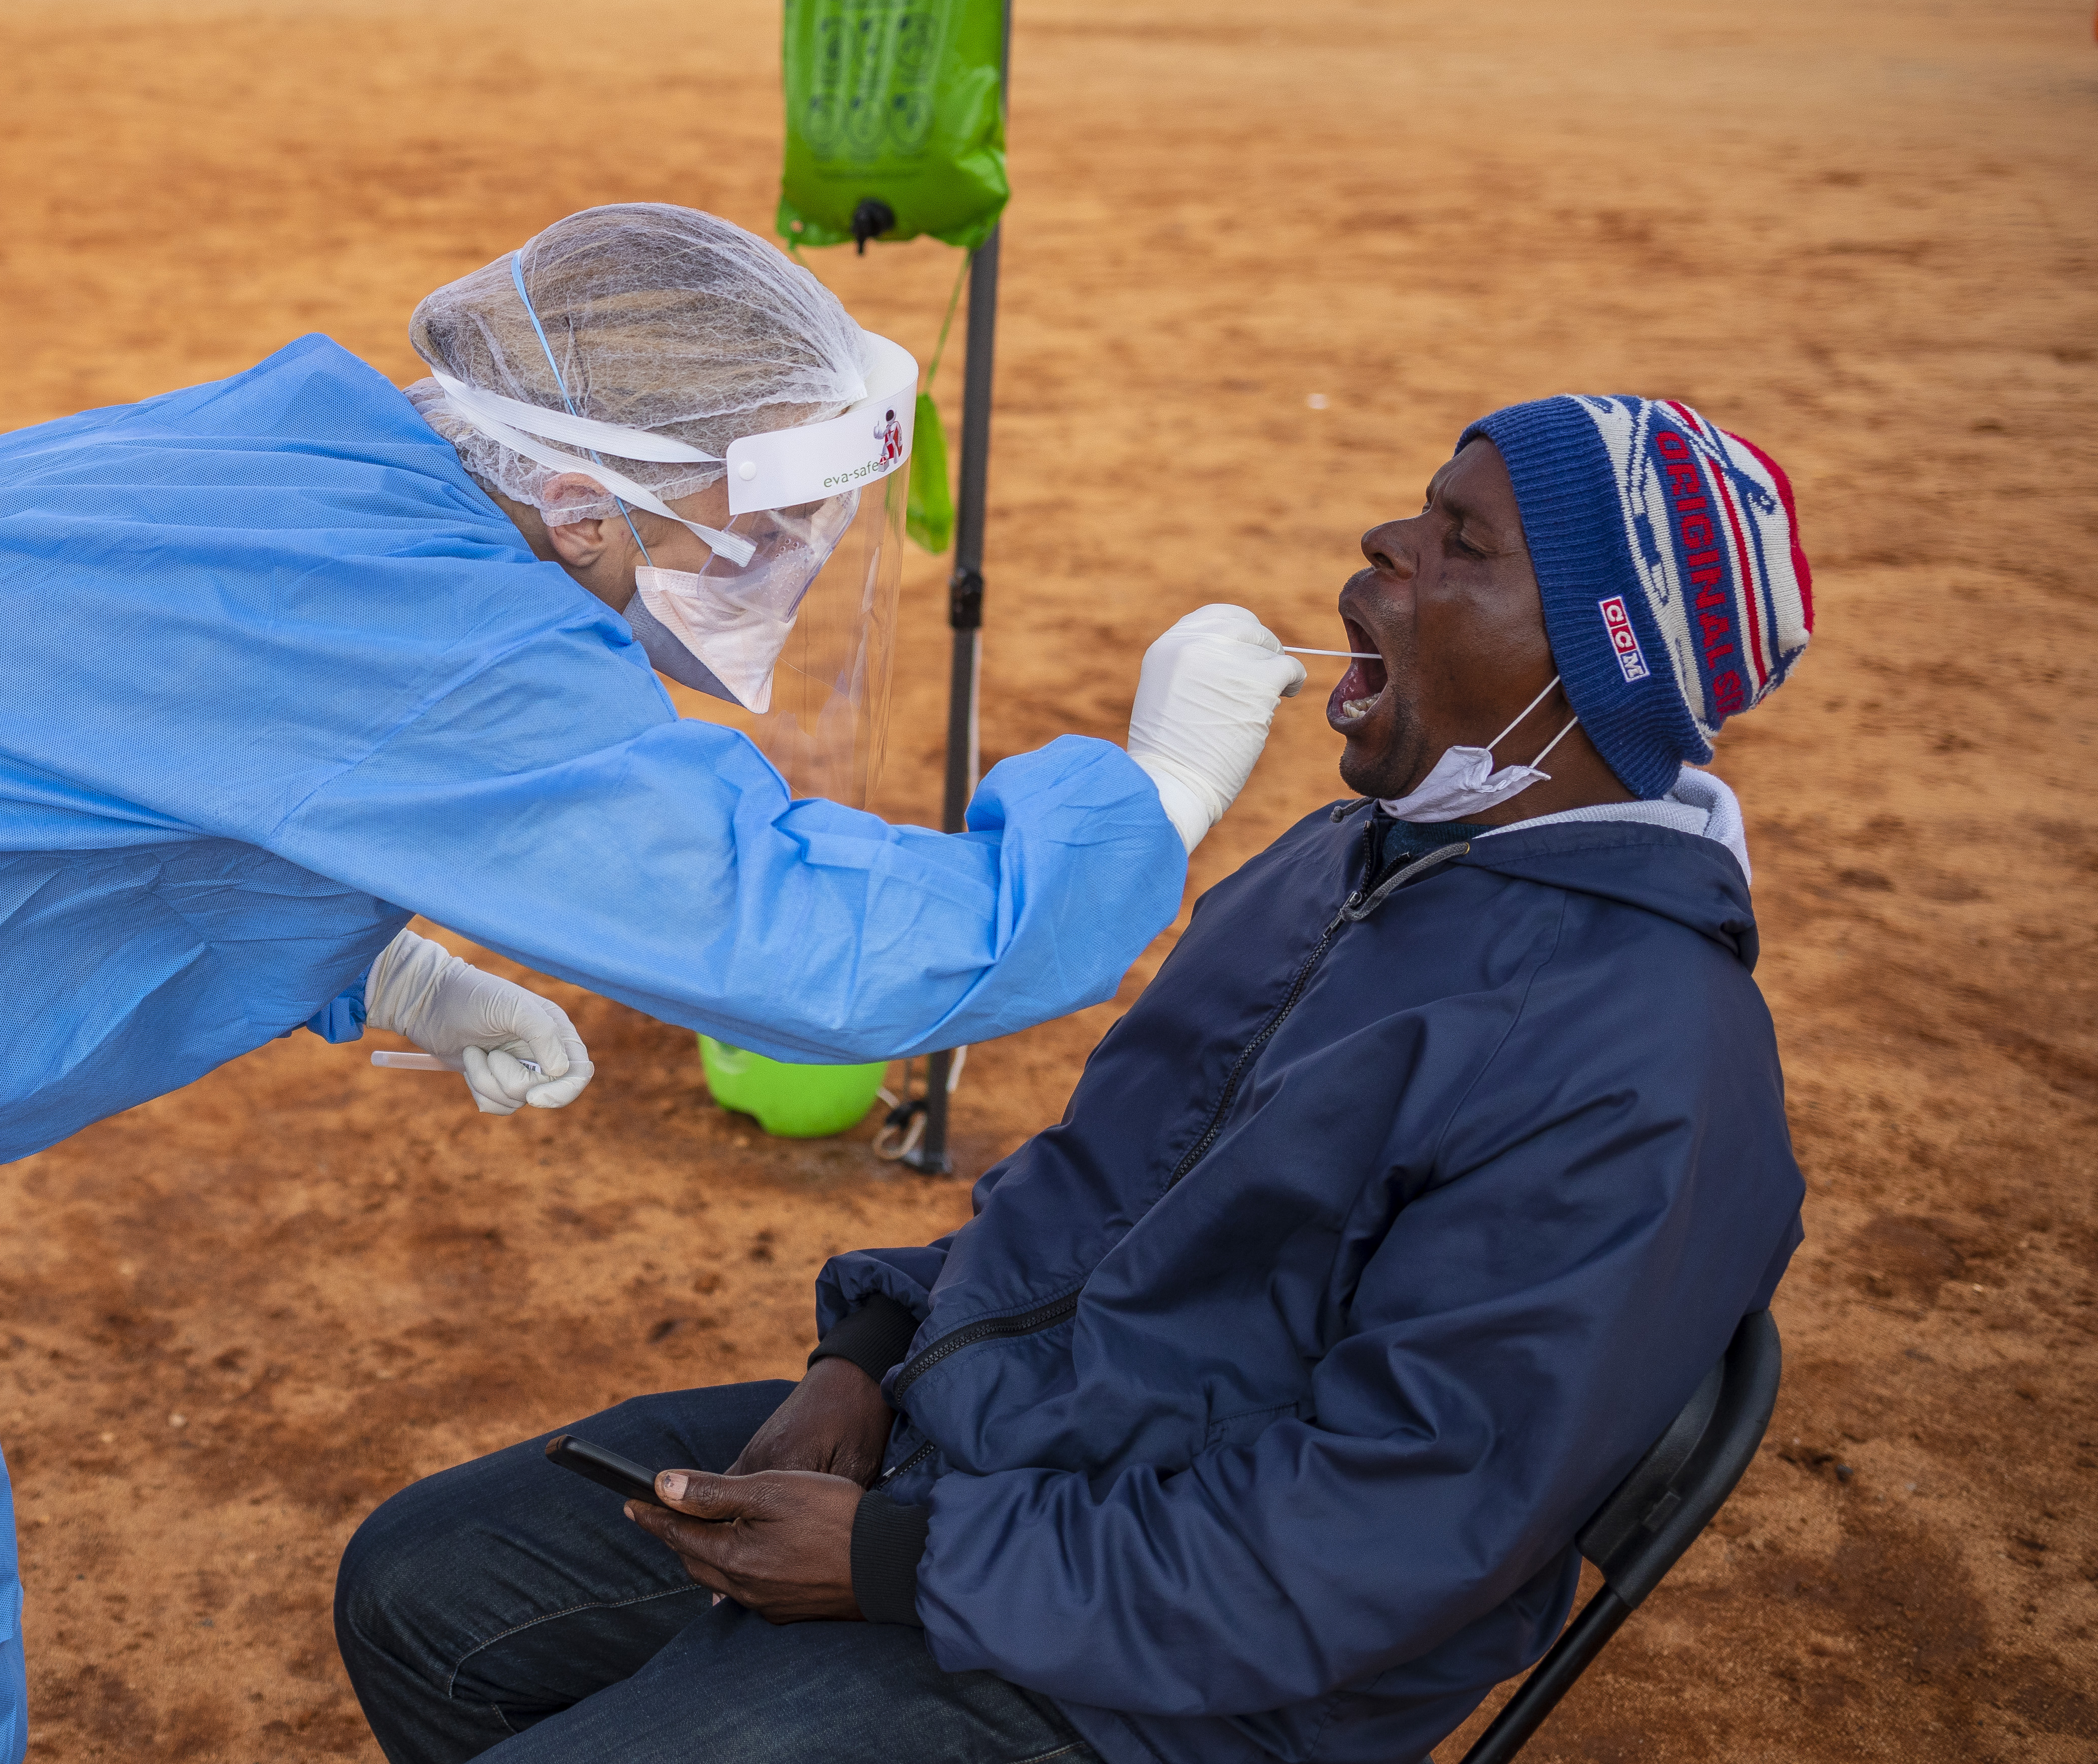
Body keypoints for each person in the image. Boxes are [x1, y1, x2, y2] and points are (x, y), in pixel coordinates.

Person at [0, 201, 1307, 1764]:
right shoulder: (451, 625)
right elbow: (834, 954)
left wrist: (385, 960)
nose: (786, 556)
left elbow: (109, 744)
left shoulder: (329, 453)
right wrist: (1146, 791)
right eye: (762, 512)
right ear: (580, 490)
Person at [336, 395, 1813, 1764]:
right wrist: (866, 1354)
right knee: (415, 1590)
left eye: (1462, 543)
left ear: (1597, 662)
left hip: (1180, 1687)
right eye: (1421, 509)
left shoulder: (1638, 1066)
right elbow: (1089, 1186)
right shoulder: (1345, 862)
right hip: (987, 1459)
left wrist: (892, 1565)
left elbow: (1386, 1531)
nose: (1386, 542)